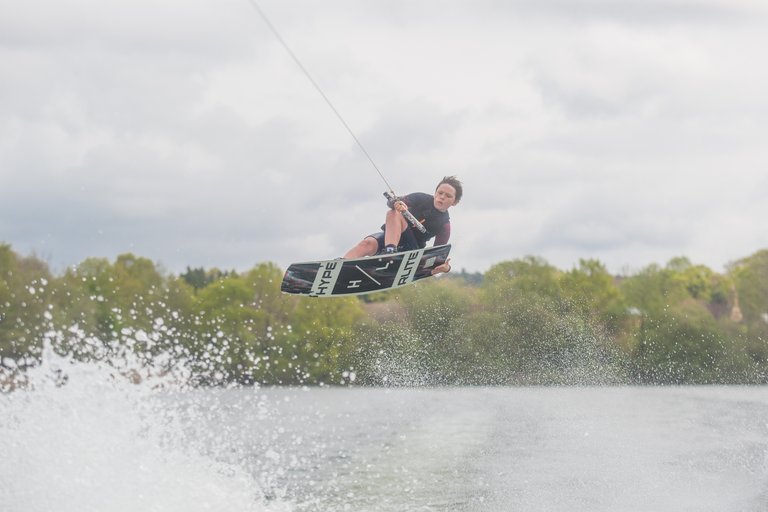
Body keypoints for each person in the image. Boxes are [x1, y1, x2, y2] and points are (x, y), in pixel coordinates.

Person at [343, 176, 462, 274]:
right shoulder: (420, 198)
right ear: (435, 193)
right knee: (367, 243)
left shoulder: (445, 225)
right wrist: (397, 204)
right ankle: (341, 267)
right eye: (440, 193)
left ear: (455, 202)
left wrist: (446, 268)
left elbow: (437, 257)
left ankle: (390, 254)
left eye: (448, 196)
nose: (442, 197)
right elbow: (392, 202)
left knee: (395, 215)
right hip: (391, 241)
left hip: (410, 251)